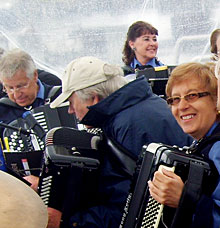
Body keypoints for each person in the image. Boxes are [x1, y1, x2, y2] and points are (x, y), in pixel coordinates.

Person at [49, 56, 192, 228]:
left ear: (93, 99)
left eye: (71, 102)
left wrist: (72, 222)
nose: (70, 110)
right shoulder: (145, 105)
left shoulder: (124, 127)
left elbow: (129, 205)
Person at [148, 62, 220, 228]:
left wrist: (185, 198)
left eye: (192, 95)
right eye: (174, 100)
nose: (181, 106)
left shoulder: (217, 149)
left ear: (216, 99)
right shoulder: (202, 143)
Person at [0, 48, 62, 190]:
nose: (16, 94)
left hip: (64, 186)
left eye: (21, 86)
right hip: (20, 190)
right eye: (9, 88)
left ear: (34, 76)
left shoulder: (59, 98)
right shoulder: (2, 110)